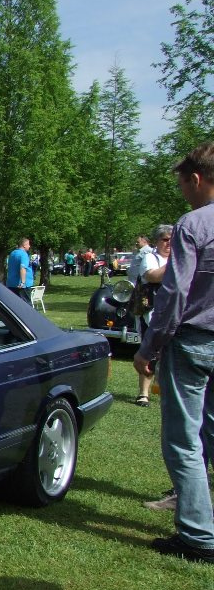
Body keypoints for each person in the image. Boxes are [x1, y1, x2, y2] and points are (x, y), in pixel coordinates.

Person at [133, 141, 214, 564]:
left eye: (183, 184)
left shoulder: (193, 225)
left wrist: (149, 346)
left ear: (196, 179)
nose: (183, 192)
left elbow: (175, 292)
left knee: (185, 441)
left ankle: (199, 535)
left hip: (195, 342)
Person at [132, 225, 173, 408]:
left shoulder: (178, 258)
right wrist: (177, 264)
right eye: (165, 239)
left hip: (176, 313)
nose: (169, 243)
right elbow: (153, 276)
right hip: (152, 313)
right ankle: (143, 394)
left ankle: (165, 390)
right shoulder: (150, 258)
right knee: (148, 352)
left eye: (172, 239)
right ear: (157, 241)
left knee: (171, 355)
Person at [6, 237, 34, 303]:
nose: (29, 246)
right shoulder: (23, 254)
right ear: (24, 245)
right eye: (28, 244)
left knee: (14, 304)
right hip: (22, 286)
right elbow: (22, 268)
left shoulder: (12, 253)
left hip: (11, 283)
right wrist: (22, 282)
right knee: (26, 305)